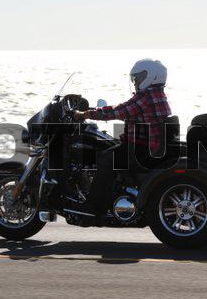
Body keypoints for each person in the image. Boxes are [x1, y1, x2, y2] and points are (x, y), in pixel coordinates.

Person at [73, 59, 172, 215]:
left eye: (138, 77)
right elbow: (126, 109)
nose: (135, 81)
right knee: (110, 146)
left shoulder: (145, 97)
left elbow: (119, 111)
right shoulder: (158, 94)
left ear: (151, 76)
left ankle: (94, 206)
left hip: (140, 150)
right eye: (134, 78)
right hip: (150, 147)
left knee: (105, 159)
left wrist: (84, 114)